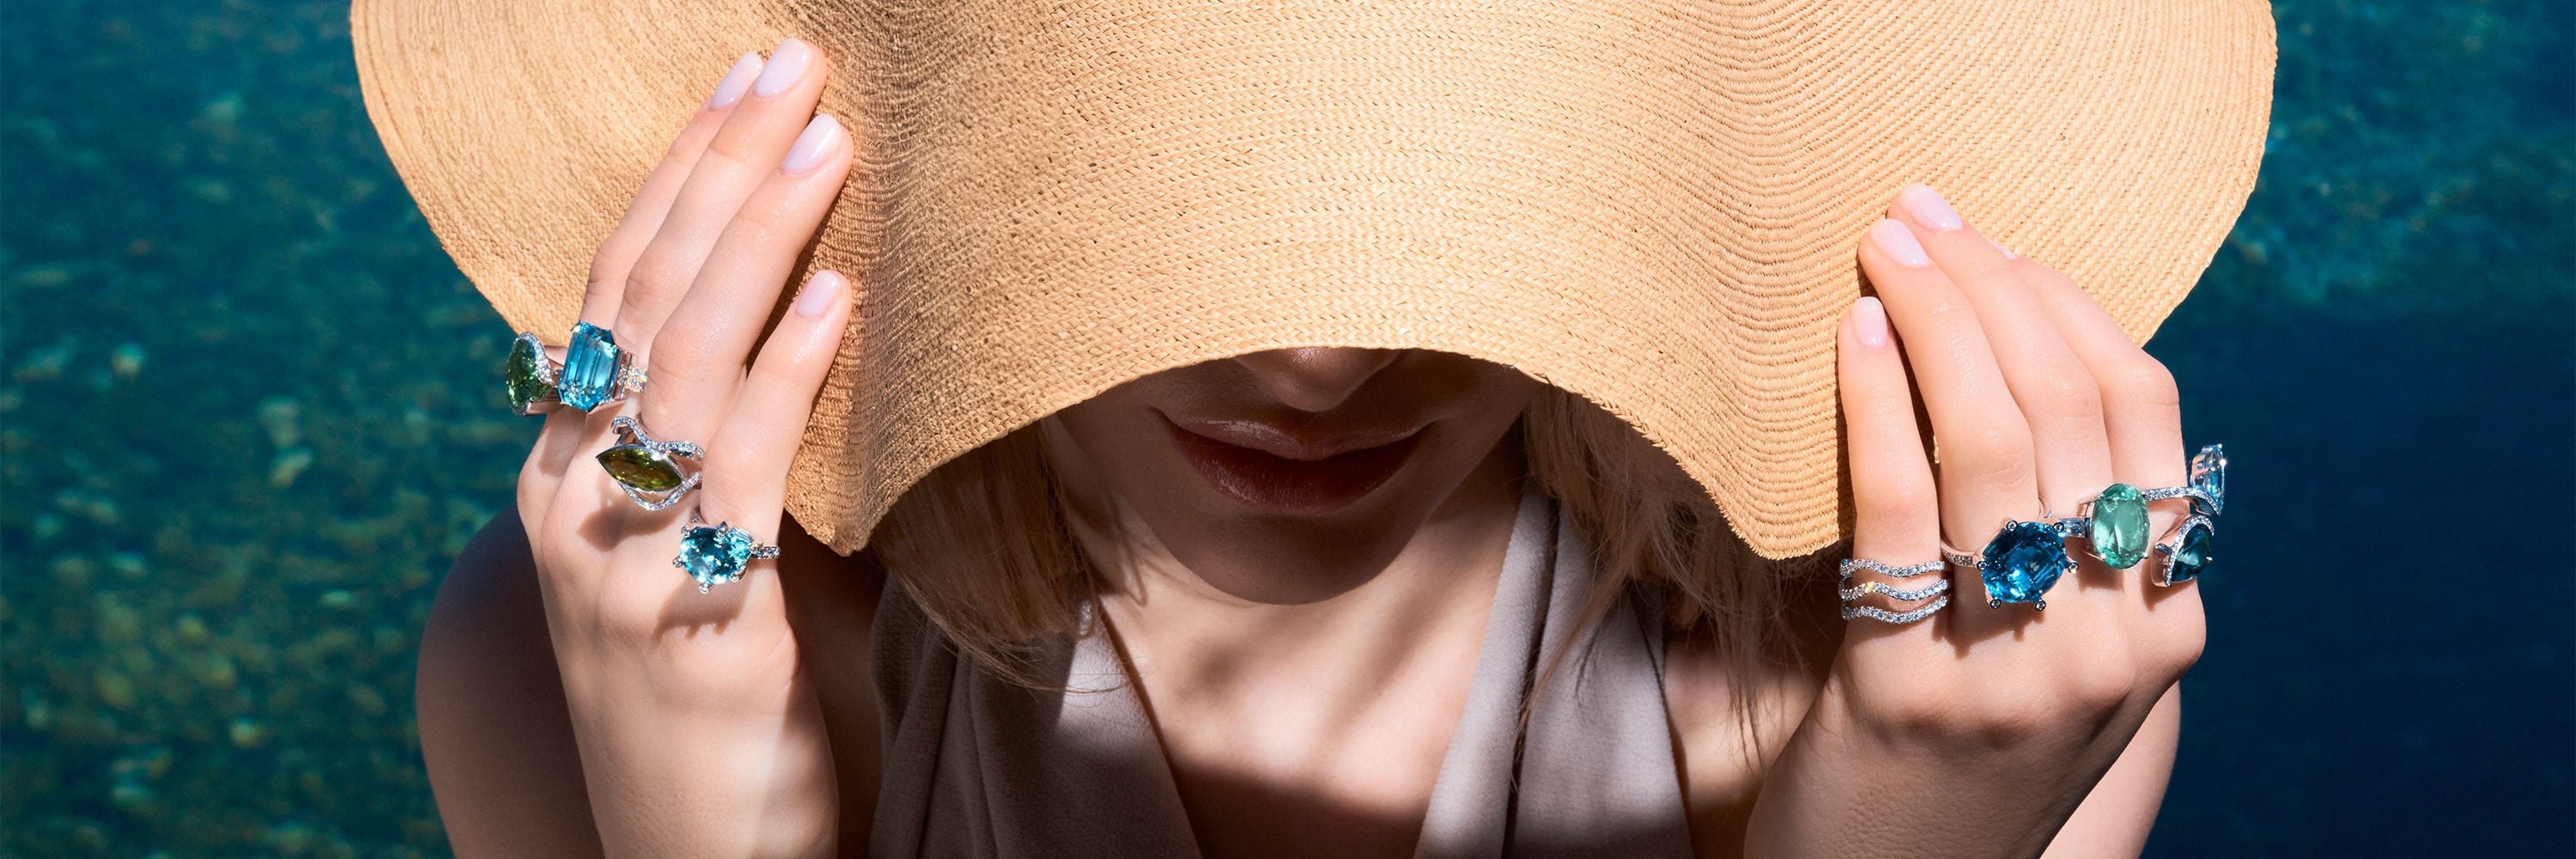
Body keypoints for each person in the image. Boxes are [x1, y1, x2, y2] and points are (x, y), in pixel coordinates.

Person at [411, 36, 2213, 858]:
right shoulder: (606, 662)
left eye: (1460, 201)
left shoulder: (1944, 681)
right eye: (1183, 209)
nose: (1317, 356)